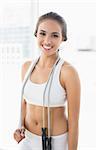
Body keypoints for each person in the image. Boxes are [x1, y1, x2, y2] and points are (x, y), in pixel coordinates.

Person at [13, 12, 81, 150]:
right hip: (27, 139)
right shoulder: (26, 67)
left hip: (55, 142)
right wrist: (19, 126)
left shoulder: (68, 72)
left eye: (55, 35)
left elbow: (74, 122)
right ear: (36, 34)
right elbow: (24, 103)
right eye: (42, 33)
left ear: (63, 39)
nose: (47, 41)